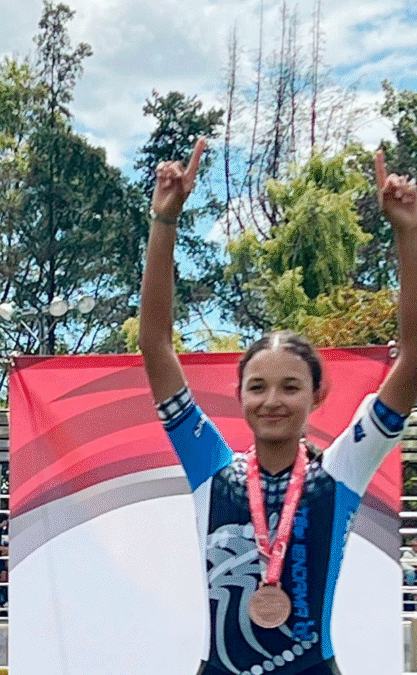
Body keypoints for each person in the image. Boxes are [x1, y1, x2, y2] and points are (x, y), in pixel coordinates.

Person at [138, 141, 417, 675]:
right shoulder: (212, 471)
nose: (272, 401)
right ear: (240, 396)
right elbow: (155, 345)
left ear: (317, 396)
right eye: (258, 387)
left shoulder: (341, 471)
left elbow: (413, 360)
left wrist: (407, 233)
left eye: (290, 387)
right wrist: (165, 220)